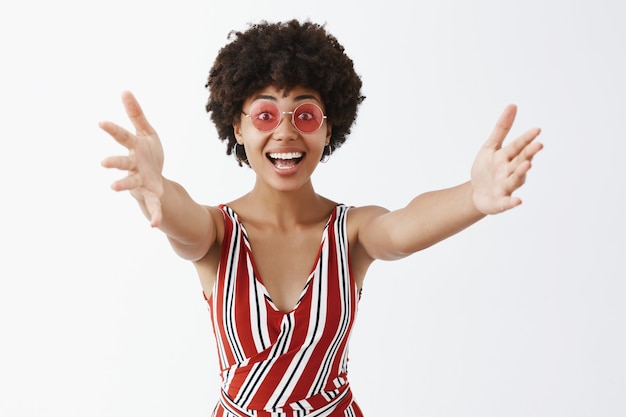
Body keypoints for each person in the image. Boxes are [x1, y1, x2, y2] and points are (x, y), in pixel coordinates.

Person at [99, 19, 542, 417]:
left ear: (329, 129)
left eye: (306, 115)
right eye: (265, 114)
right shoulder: (216, 233)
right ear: (238, 126)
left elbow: (404, 227)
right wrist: (156, 186)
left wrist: (473, 197)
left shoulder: (352, 233)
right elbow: (183, 219)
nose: (286, 132)